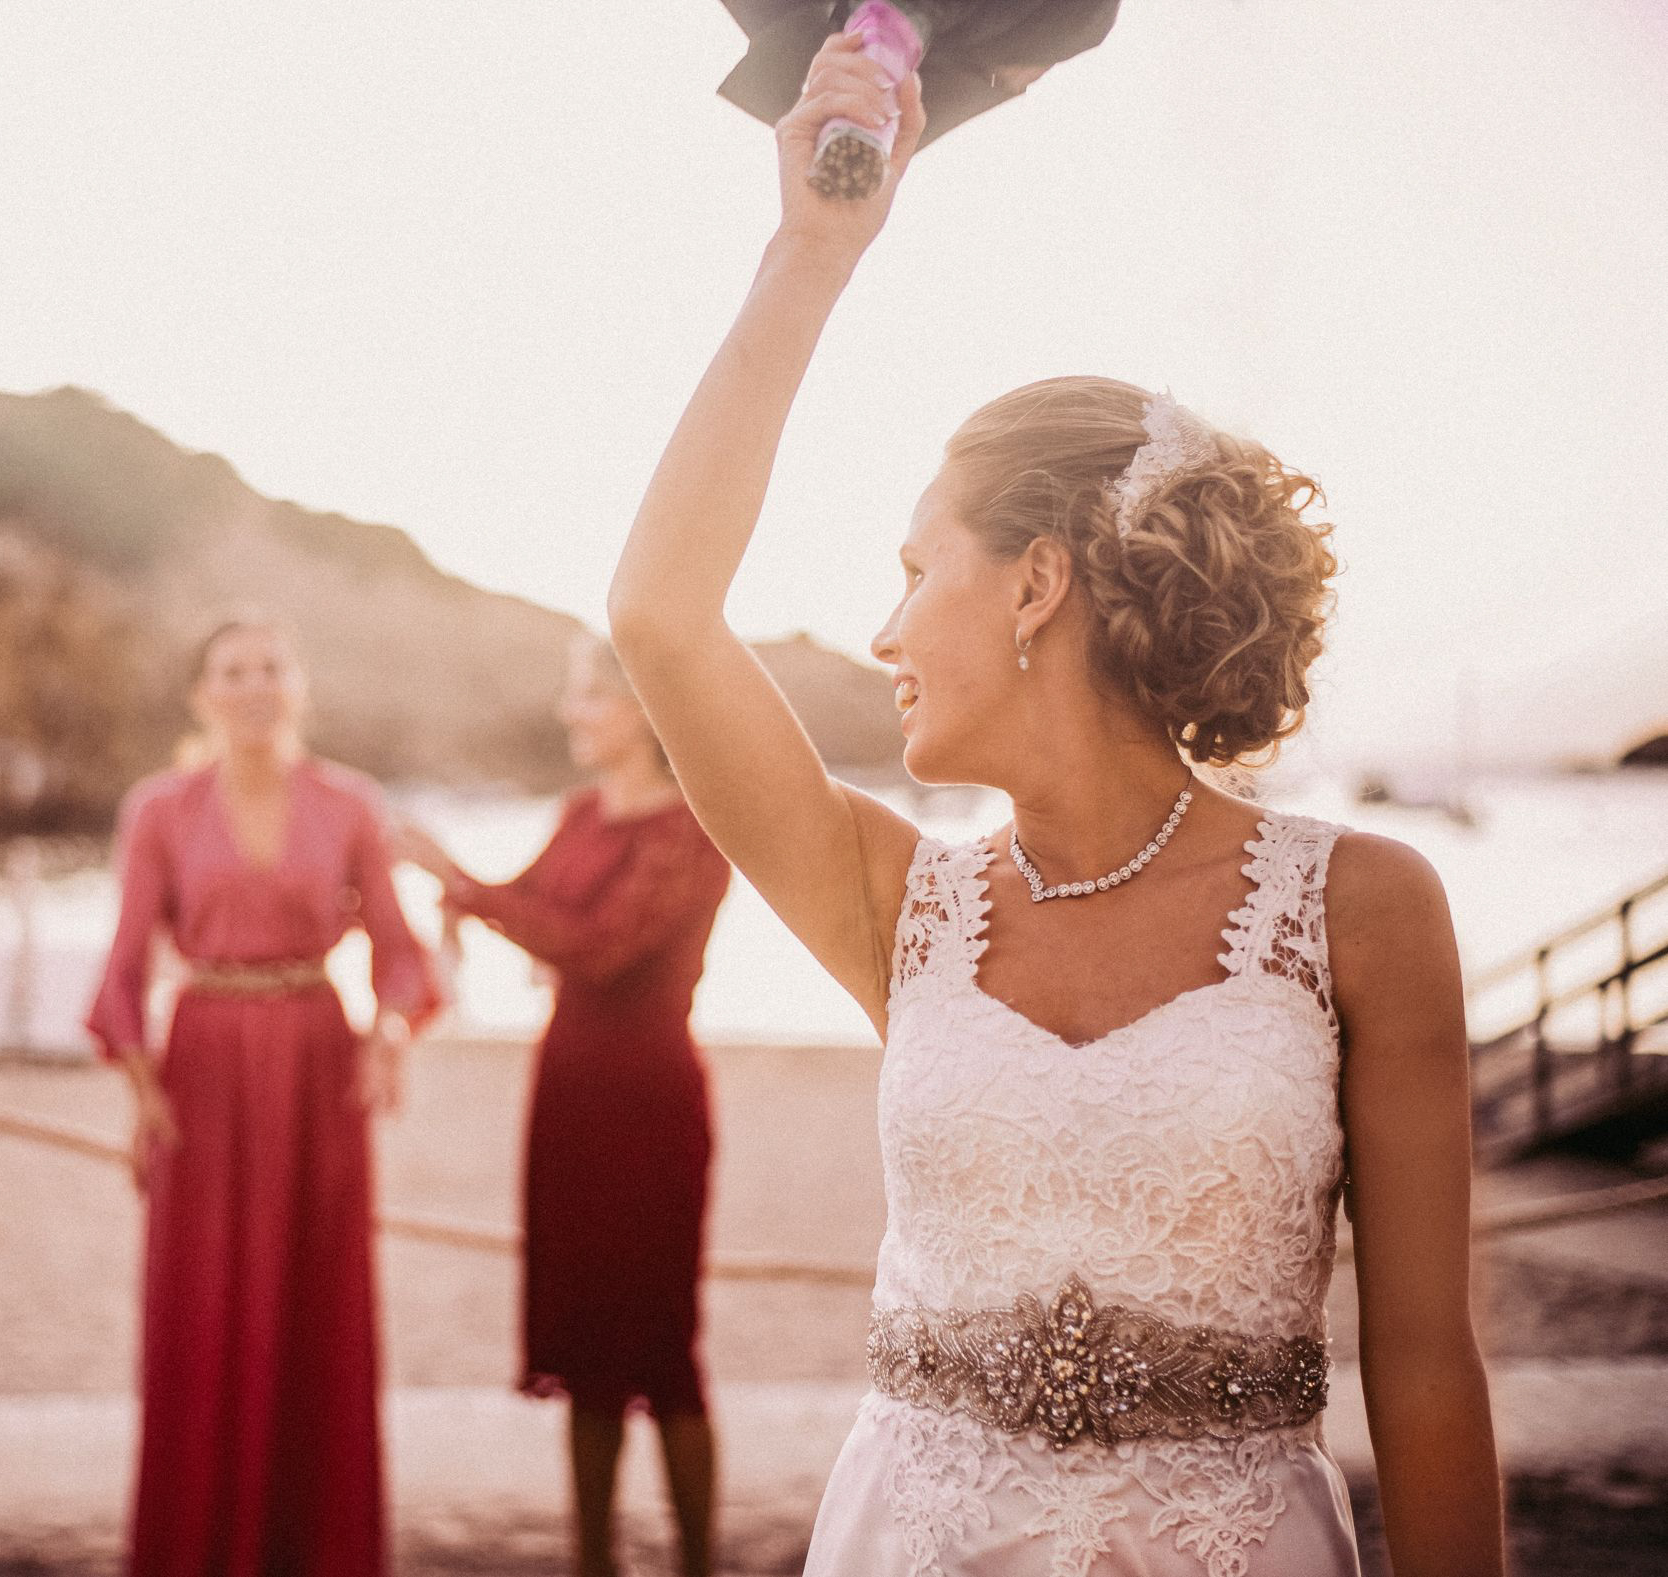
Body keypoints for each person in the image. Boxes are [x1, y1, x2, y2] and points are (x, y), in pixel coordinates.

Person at [602, 35, 1504, 1577]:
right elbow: (659, 616)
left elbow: (1423, 1371)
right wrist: (811, 252)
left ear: (1035, 583)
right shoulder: (896, 904)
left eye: (913, 571)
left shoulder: (1360, 908)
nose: (883, 634)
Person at [85, 616, 442, 1577]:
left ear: (298, 685)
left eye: (270, 667)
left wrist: (391, 1031)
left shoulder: (350, 802)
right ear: (202, 696)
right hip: (200, 1070)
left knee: (318, 1310)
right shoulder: (159, 808)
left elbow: (402, 955)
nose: (252, 686)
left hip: (319, 1067)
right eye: (231, 671)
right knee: (201, 1307)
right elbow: (123, 965)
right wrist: (140, 1082)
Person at [398, 634, 732, 1577]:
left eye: (589, 693)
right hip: (570, 1094)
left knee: (664, 1344)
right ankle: (593, 1560)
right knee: (586, 1342)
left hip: (649, 1100)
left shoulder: (694, 828)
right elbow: (527, 903)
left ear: (645, 704)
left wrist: (460, 883)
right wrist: (451, 890)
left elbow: (598, 946)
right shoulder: (582, 811)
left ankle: (698, 1562)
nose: (570, 711)